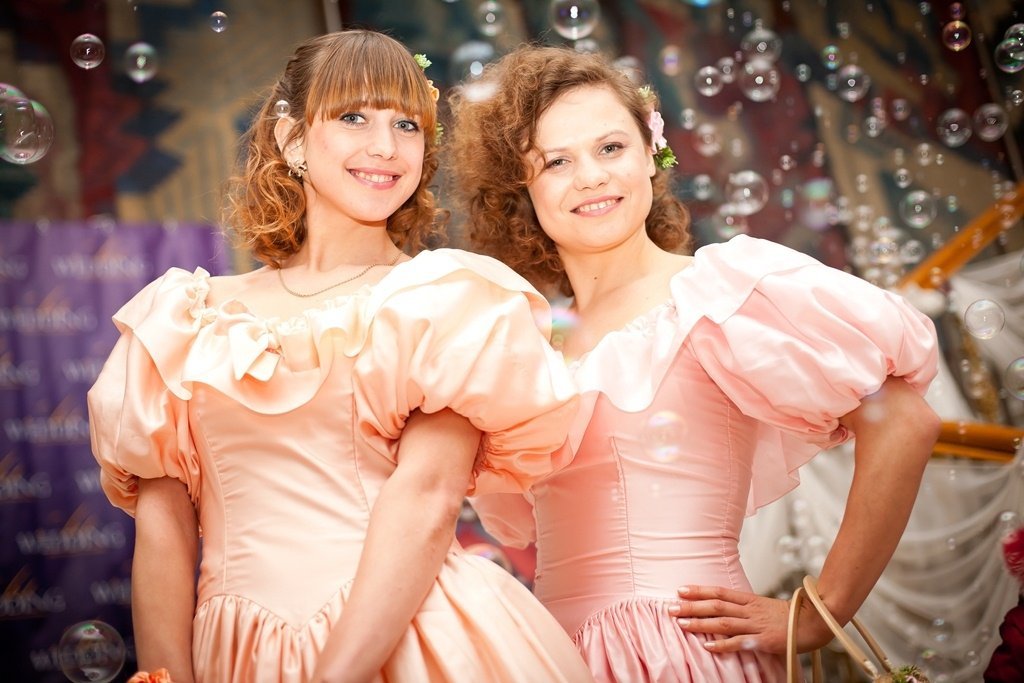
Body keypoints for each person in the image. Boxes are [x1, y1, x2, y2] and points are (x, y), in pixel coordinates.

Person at [87, 31, 594, 683]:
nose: (385, 146)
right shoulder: (185, 317)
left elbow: (428, 497)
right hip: (237, 651)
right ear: (292, 139)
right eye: (354, 116)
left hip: (411, 636)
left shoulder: (441, 299)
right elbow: (162, 528)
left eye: (406, 124)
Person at [448, 45, 942, 682]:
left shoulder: (717, 292)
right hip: (550, 660)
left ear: (650, 154)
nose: (591, 176)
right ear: (518, 185)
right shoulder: (530, 343)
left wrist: (823, 611)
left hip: (680, 651)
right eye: (557, 161)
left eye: (610, 147)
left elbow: (903, 422)